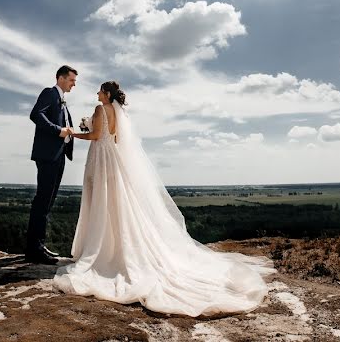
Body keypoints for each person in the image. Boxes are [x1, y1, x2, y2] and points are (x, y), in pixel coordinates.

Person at [53, 81, 274, 317]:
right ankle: (114, 245)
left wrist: (73, 133)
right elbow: (114, 138)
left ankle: (103, 248)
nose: (96, 94)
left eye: (99, 91)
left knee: (102, 202)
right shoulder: (119, 112)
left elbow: (97, 135)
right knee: (115, 203)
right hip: (112, 159)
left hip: (101, 159)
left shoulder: (100, 110)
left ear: (106, 94)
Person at [25, 65, 77, 264]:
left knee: (47, 202)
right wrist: (58, 130)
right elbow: (36, 114)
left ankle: (37, 245)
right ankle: (34, 249)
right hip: (48, 156)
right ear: (62, 78)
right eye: (72, 80)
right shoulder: (49, 93)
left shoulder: (62, 100)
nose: (74, 85)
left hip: (58, 156)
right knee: (42, 201)